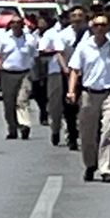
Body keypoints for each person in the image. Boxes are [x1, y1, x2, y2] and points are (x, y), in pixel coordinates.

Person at [67, 12, 110, 182]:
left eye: (103, 25)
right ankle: (90, 164)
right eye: (97, 25)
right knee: (87, 133)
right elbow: (74, 69)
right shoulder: (84, 47)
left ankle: (106, 169)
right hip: (89, 94)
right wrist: (71, 91)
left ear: (108, 27)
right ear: (92, 27)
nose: (100, 28)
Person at [0, 14, 38, 140]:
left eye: (18, 22)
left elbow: (35, 56)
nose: (16, 25)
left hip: (25, 73)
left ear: (23, 25)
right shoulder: (4, 38)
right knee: (9, 103)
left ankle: (24, 125)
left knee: (22, 100)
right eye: (13, 23)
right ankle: (12, 128)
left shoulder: (30, 39)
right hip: (7, 74)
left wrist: (37, 74)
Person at [38, 8, 70, 146]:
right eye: (65, 17)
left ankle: (71, 133)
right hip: (56, 71)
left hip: (75, 72)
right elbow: (41, 51)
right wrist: (56, 52)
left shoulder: (79, 33)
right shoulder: (51, 33)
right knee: (55, 104)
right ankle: (55, 129)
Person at [60, 6, 90, 151]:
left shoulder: (90, 33)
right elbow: (59, 53)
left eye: (80, 15)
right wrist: (65, 68)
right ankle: (72, 136)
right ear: (70, 18)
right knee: (69, 108)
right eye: (74, 15)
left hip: (87, 75)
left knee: (86, 107)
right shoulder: (63, 34)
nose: (77, 18)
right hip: (69, 75)